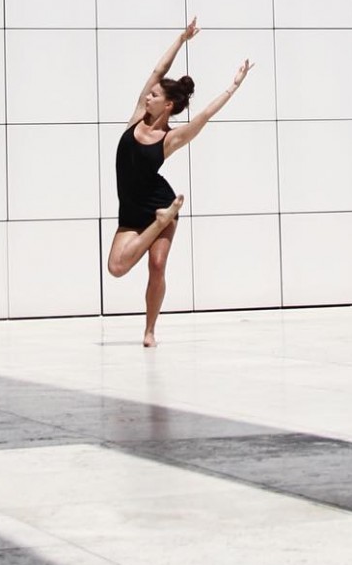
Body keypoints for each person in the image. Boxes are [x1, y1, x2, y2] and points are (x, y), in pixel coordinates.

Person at [107, 18, 252, 347]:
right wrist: (181, 39)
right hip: (133, 212)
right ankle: (159, 223)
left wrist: (234, 86)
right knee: (116, 268)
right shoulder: (135, 120)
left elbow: (204, 117)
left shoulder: (169, 139)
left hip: (160, 202)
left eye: (154, 96)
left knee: (157, 266)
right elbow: (159, 70)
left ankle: (149, 331)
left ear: (168, 105)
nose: (148, 97)